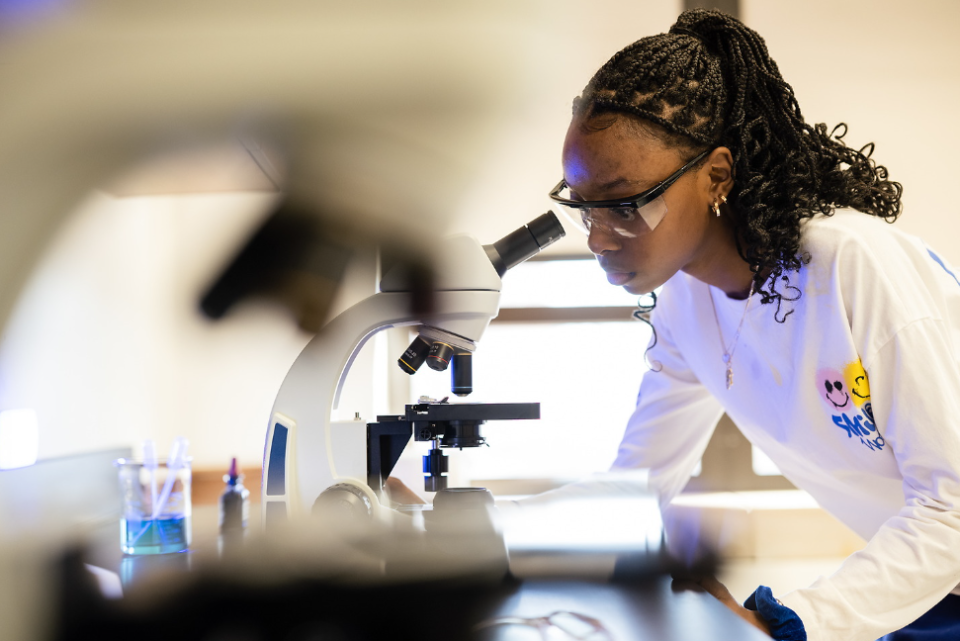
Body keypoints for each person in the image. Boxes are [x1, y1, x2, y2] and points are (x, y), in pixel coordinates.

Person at [548, 8, 960, 641]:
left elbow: (952, 507)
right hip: (925, 588)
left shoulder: (851, 263)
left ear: (716, 174)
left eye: (626, 204)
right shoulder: (688, 303)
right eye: (585, 208)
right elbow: (639, 485)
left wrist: (784, 624)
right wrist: (470, 534)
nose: (600, 237)